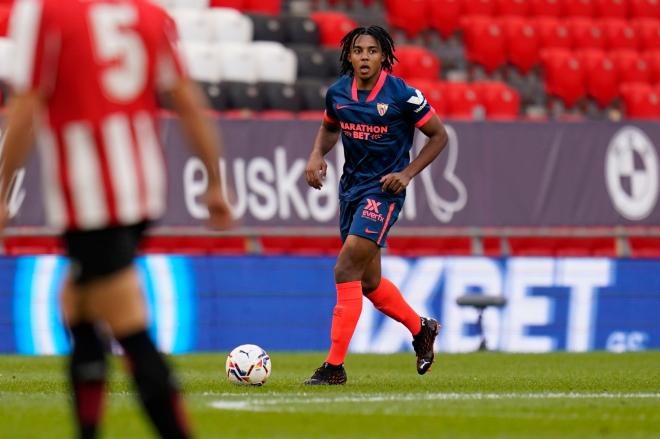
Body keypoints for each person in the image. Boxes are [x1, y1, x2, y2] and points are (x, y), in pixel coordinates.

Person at [0, 0, 232, 437]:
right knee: (77, 307)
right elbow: (185, 99)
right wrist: (215, 179)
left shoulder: (45, 13)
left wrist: (1, 188)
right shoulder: (147, 13)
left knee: (126, 320)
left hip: (89, 196)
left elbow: (27, 105)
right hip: (141, 186)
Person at [303, 25, 449, 385]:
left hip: (384, 191)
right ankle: (421, 328)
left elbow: (439, 136)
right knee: (368, 282)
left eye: (371, 51)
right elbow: (330, 127)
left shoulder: (403, 95)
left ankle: (334, 368)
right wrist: (317, 154)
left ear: (384, 56)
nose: (364, 57)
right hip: (350, 189)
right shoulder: (338, 92)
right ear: (348, 56)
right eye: (358, 51)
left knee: (345, 268)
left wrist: (408, 173)